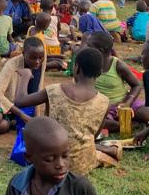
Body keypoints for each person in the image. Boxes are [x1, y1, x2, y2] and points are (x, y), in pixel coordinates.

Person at [15, 47, 112, 175]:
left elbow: (20, 101)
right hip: (83, 164)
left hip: (51, 161)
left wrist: (25, 76)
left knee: (37, 124)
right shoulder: (105, 101)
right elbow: (94, 135)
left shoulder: (55, 90)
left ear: (76, 68)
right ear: (100, 72)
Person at [86, 31, 149, 132]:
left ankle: (124, 123)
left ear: (100, 50)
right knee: (99, 122)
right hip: (102, 108)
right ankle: (128, 125)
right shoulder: (88, 64)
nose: (85, 49)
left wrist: (127, 103)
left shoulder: (117, 64)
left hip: (123, 103)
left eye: (88, 47)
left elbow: (136, 85)